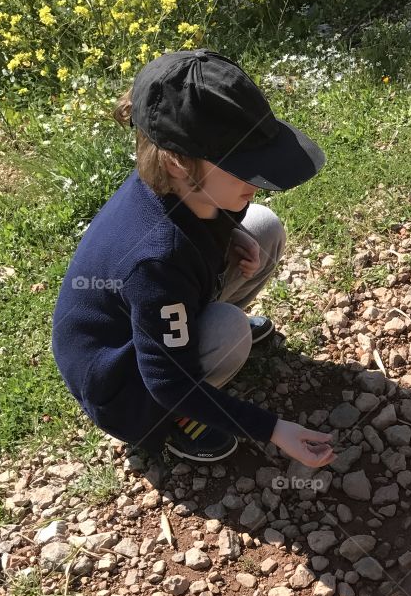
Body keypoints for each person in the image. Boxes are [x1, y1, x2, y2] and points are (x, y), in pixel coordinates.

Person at [51, 47, 336, 468]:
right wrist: (276, 430)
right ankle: (176, 420)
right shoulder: (156, 261)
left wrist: (230, 233)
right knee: (228, 331)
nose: (258, 181)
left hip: (157, 311)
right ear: (178, 161)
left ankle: (195, 334)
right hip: (126, 389)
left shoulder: (178, 183)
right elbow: (168, 381)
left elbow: (208, 221)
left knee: (263, 227)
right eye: (242, 167)